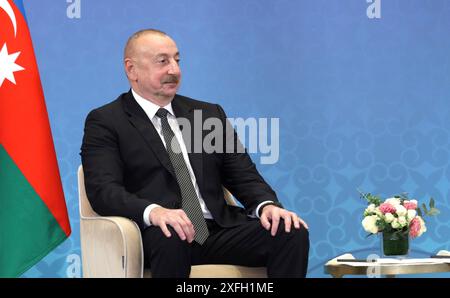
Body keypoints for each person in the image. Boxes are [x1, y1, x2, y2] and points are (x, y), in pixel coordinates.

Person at [80, 29, 309, 278]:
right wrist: (154, 212)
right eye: (162, 61)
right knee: (171, 233)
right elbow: (103, 190)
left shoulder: (206, 115)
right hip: (160, 232)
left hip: (219, 229)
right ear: (131, 69)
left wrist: (267, 206)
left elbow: (244, 175)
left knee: (289, 230)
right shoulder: (106, 120)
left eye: (177, 60)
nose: (174, 70)